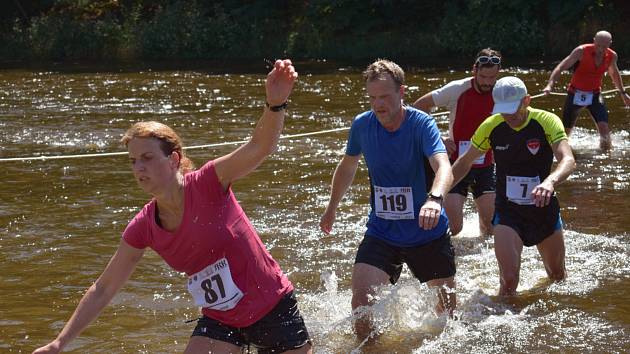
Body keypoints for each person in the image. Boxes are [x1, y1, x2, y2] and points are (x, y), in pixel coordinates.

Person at [33, 60, 312, 354]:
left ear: (174, 159)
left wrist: (275, 104)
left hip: (271, 307)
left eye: (147, 158)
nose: (139, 168)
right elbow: (103, 289)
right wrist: (59, 342)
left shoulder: (209, 182)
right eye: (133, 161)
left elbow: (259, 147)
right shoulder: (143, 227)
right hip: (222, 319)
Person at [319, 59, 455, 339]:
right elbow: (347, 166)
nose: (378, 104)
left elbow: (443, 166)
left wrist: (435, 199)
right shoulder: (362, 125)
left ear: (401, 92)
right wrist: (331, 208)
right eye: (372, 98)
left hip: (426, 231)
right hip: (383, 232)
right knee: (361, 308)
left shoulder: (421, 124)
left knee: (447, 321)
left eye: (384, 97)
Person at [452, 76, 576, 296]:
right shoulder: (491, 126)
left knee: (557, 277)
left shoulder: (547, 121)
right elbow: (465, 161)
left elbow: (567, 159)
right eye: (502, 110)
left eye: (513, 109)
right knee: (508, 282)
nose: (508, 116)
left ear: (526, 101)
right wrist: (436, 193)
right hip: (508, 211)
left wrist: (550, 181)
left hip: (542, 209)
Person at [413, 48, 501, 237]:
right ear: (474, 70)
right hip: (454, 162)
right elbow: (419, 107)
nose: (488, 82)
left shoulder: (501, 92)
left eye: (492, 77)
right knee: (454, 228)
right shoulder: (457, 89)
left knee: (490, 226)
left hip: (485, 163)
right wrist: (438, 138)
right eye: (484, 77)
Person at [543, 30, 630, 150]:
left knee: (604, 129)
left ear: (610, 44)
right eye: (598, 45)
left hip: (595, 95)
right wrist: (550, 85)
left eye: (604, 46)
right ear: (594, 41)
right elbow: (561, 67)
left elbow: (614, 74)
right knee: (566, 130)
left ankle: (605, 157)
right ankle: (561, 151)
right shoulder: (581, 51)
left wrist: (623, 93)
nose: (601, 49)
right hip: (575, 93)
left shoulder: (612, 56)